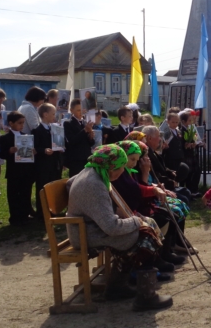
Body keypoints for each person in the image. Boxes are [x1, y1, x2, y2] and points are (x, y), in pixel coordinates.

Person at [66, 145, 172, 309]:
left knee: (145, 228)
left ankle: (117, 287)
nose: (122, 172)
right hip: (87, 234)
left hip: (89, 228)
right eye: (121, 167)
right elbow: (111, 227)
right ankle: (146, 297)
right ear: (111, 166)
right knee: (145, 237)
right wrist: (136, 221)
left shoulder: (92, 171)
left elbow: (69, 182)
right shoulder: (94, 184)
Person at [112, 140, 184, 270]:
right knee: (159, 220)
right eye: (132, 159)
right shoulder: (121, 173)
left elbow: (140, 188)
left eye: (138, 159)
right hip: (132, 211)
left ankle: (164, 253)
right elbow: (137, 190)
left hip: (135, 208)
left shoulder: (130, 170)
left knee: (168, 216)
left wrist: (155, 187)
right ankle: (152, 261)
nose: (136, 162)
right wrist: (152, 188)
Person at [0, 111, 35, 225]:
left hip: (26, 169)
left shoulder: (26, 136)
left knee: (26, 192)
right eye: (19, 123)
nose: (22, 125)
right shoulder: (5, 138)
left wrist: (33, 152)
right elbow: (1, 154)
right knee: (14, 194)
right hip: (14, 171)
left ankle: (25, 214)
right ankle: (14, 217)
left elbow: (30, 152)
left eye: (23, 123)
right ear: (11, 123)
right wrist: (9, 151)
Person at [34, 104, 63, 220]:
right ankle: (42, 213)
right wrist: (44, 150)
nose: (54, 116)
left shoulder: (55, 129)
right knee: (43, 188)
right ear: (45, 115)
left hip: (55, 163)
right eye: (52, 114)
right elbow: (35, 148)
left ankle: (53, 210)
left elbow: (60, 142)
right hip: (43, 165)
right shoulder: (37, 130)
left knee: (54, 186)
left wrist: (61, 148)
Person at [64, 99, 96, 177]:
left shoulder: (85, 122)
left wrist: (91, 137)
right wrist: (85, 130)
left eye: (82, 110)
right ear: (72, 110)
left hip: (87, 157)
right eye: (78, 110)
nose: (81, 112)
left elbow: (90, 143)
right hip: (76, 159)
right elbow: (72, 141)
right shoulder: (68, 123)